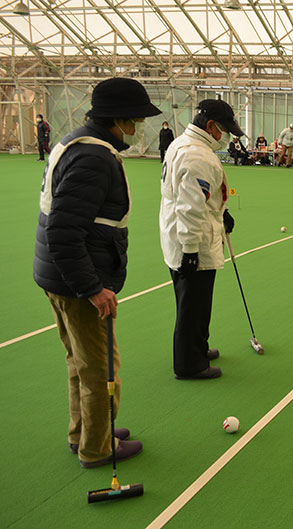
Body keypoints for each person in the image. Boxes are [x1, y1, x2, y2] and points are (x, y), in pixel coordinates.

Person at [34, 77, 160, 467]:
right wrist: (93, 288)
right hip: (76, 280)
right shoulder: (93, 157)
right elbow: (64, 229)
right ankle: (97, 448)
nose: (139, 127)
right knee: (99, 368)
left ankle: (88, 431)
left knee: (80, 362)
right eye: (136, 119)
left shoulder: (79, 142)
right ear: (117, 119)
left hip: (58, 275)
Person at [160, 99, 245, 379]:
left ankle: (198, 347)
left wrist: (224, 211)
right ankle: (189, 364)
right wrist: (190, 249)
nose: (226, 137)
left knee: (196, 300)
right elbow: (191, 207)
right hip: (191, 238)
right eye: (224, 130)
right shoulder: (196, 155)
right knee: (192, 303)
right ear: (210, 126)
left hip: (189, 232)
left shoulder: (185, 145)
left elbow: (205, 197)